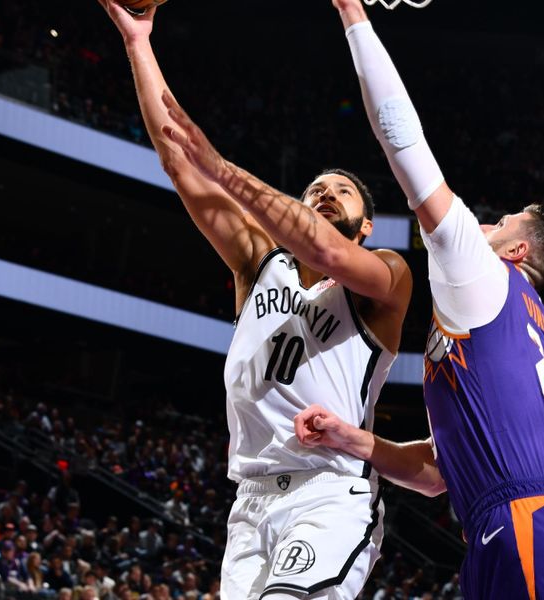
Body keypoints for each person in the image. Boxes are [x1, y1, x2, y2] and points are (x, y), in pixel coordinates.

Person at [294, 1, 544, 598]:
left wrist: (351, 13)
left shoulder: (486, 279)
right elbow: (439, 474)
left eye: (499, 223)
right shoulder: (508, 322)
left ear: (515, 253)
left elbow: (403, 142)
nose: (481, 226)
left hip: (526, 532)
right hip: (519, 530)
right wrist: (351, 440)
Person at [97, 1, 412, 598]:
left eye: (341, 192)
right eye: (315, 188)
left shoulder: (384, 277)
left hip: (328, 490)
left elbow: (325, 251)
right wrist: (139, 41)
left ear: (366, 224)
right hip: (249, 505)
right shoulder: (259, 266)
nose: (324, 193)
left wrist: (227, 170)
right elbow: (179, 163)